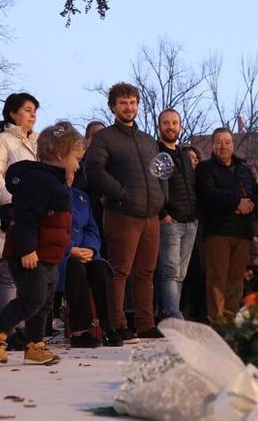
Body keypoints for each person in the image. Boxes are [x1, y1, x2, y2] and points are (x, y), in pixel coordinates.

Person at [0, 121, 82, 365]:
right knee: (32, 298)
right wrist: (26, 249)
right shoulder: (39, 181)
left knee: (44, 302)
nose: (77, 165)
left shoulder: (56, 183)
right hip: (30, 254)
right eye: (76, 158)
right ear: (60, 155)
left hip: (49, 256)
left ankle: (35, 344)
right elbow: (25, 217)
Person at [84, 83, 167, 340]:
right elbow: (94, 170)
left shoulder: (148, 141)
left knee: (146, 272)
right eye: (123, 103)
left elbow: (161, 171)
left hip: (150, 215)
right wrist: (120, 193)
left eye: (132, 102)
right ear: (113, 107)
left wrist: (162, 197)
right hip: (122, 214)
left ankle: (145, 323)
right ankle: (117, 324)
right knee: (120, 271)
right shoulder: (105, 138)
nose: (129, 107)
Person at [195, 128, 258, 323]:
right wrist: (237, 203)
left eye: (227, 142)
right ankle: (217, 322)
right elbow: (209, 194)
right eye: (219, 142)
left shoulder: (244, 170)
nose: (223, 146)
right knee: (217, 279)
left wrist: (251, 204)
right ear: (212, 145)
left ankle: (231, 322)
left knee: (236, 282)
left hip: (242, 232)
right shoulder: (205, 168)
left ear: (233, 145)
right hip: (218, 231)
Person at [0, 92, 39, 310]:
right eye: (27, 110)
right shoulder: (2, 140)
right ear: (12, 113)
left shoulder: (36, 143)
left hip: (33, 220)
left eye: (34, 111)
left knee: (32, 278)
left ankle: (28, 331)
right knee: (11, 276)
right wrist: (13, 201)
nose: (32, 115)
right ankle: (6, 332)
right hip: (11, 219)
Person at [61, 184, 122, 348]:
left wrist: (90, 249)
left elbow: (91, 228)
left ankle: (110, 329)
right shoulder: (48, 193)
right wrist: (70, 249)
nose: (76, 168)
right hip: (61, 255)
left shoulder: (81, 196)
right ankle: (80, 332)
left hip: (84, 252)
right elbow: (49, 229)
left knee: (101, 269)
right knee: (74, 267)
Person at [155, 109, 197, 321]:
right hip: (171, 222)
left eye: (174, 122)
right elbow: (155, 186)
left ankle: (172, 313)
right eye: (166, 123)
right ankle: (173, 314)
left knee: (181, 273)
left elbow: (191, 186)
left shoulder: (183, 154)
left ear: (180, 125)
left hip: (190, 222)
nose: (170, 127)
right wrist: (163, 214)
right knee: (170, 271)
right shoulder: (157, 153)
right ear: (159, 126)